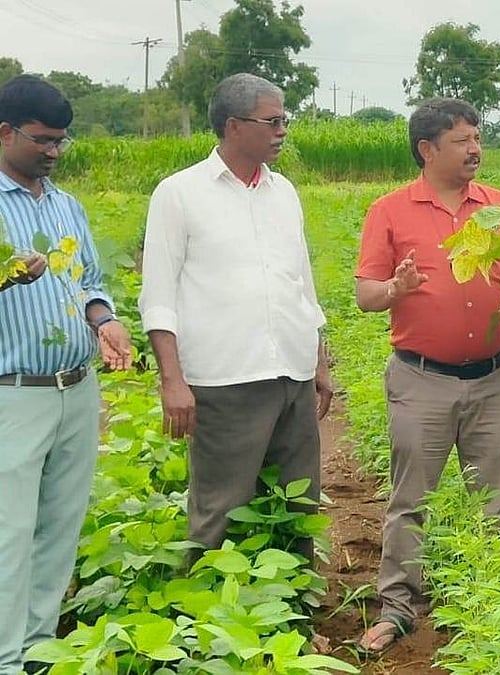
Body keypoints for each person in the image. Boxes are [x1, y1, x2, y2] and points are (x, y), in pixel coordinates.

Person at [354, 97, 500, 652]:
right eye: (461, 140)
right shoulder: (390, 210)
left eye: (477, 136)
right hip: (421, 378)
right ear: (427, 149)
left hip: (496, 378)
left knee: (498, 497)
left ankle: (496, 606)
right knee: (412, 499)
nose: (475, 148)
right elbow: (365, 295)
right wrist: (395, 289)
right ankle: (398, 606)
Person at [138, 73, 332, 562]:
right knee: (221, 511)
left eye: (284, 120)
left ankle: (291, 617)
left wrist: (319, 360)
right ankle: (210, 627)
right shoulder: (179, 194)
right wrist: (172, 381)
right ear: (232, 126)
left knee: (297, 504)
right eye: (272, 121)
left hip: (291, 373)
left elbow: (300, 283)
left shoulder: (283, 192)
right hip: (225, 381)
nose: (283, 130)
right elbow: (158, 296)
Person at [0, 74, 132, 675]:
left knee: (59, 528)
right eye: (44, 140)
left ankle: (37, 652)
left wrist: (105, 321)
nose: (54, 152)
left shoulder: (66, 206)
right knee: (8, 536)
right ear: (5, 133)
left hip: (75, 388)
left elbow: (88, 285)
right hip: (12, 395)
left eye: (62, 142)